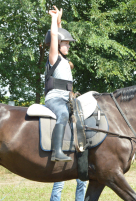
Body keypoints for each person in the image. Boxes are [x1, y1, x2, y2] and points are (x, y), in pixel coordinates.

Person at [45, 6, 76, 162]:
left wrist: (59, 20)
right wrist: (53, 18)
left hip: (67, 98)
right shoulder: (54, 57)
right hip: (55, 98)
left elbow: (59, 33)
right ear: (57, 45)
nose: (68, 46)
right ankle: (56, 151)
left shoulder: (63, 60)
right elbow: (55, 36)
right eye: (66, 44)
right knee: (63, 114)